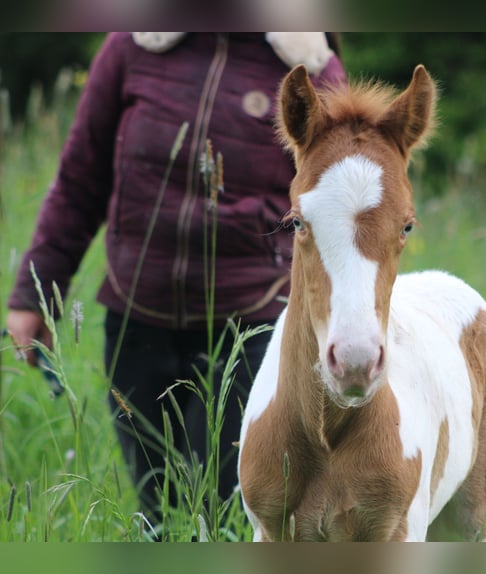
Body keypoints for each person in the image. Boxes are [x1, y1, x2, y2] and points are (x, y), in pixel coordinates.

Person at [5, 32, 346, 519]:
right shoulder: (134, 45)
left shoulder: (312, 67)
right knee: (156, 512)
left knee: (223, 510)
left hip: (253, 326)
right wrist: (33, 294)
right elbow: (81, 177)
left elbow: (338, 212)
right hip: (137, 318)